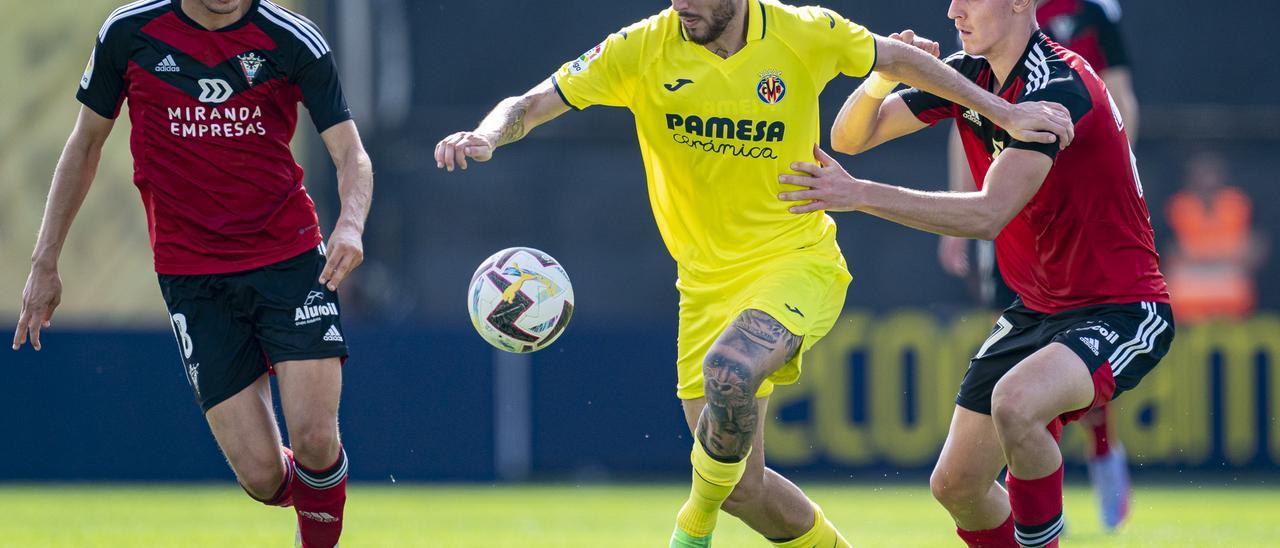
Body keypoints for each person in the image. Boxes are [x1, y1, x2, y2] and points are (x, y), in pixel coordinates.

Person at [434, 1, 1071, 545]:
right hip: (704, 286)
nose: (684, 5)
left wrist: (1005, 112)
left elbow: (898, 60)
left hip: (797, 261)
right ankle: (727, 507)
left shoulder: (802, 31)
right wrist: (488, 135)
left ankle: (691, 524)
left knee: (730, 370)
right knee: (744, 488)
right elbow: (535, 100)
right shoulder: (640, 48)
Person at [778, 0, 1172, 545]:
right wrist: (881, 78)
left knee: (1018, 405)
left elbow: (988, 213)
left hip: (1121, 308)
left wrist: (857, 195)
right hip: (1036, 311)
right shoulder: (971, 76)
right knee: (957, 485)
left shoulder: (1058, 85)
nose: (952, 9)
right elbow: (850, 138)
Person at [12, 1, 372, 546]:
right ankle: (323, 492)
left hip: (290, 259)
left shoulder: (292, 38)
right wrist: (45, 263)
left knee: (317, 438)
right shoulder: (129, 33)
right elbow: (84, 145)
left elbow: (350, 153)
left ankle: (320, 512)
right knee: (262, 477)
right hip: (192, 276)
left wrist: (349, 225)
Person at [936, 0, 1144, 529]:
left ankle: (1100, 458)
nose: (954, 10)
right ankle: (1039, 492)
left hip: (1087, 245)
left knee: (1029, 393)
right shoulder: (978, 53)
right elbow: (965, 118)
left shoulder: (1085, 24)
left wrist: (1115, 168)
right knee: (960, 474)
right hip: (1022, 232)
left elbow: (1119, 95)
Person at [1165, 151, 1267, 323]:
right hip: (1189, 286)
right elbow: (1170, 252)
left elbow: (1254, 248)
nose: (1207, 180)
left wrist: (1199, 253)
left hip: (1229, 283)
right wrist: (1224, 251)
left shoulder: (1237, 204)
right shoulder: (1178, 206)